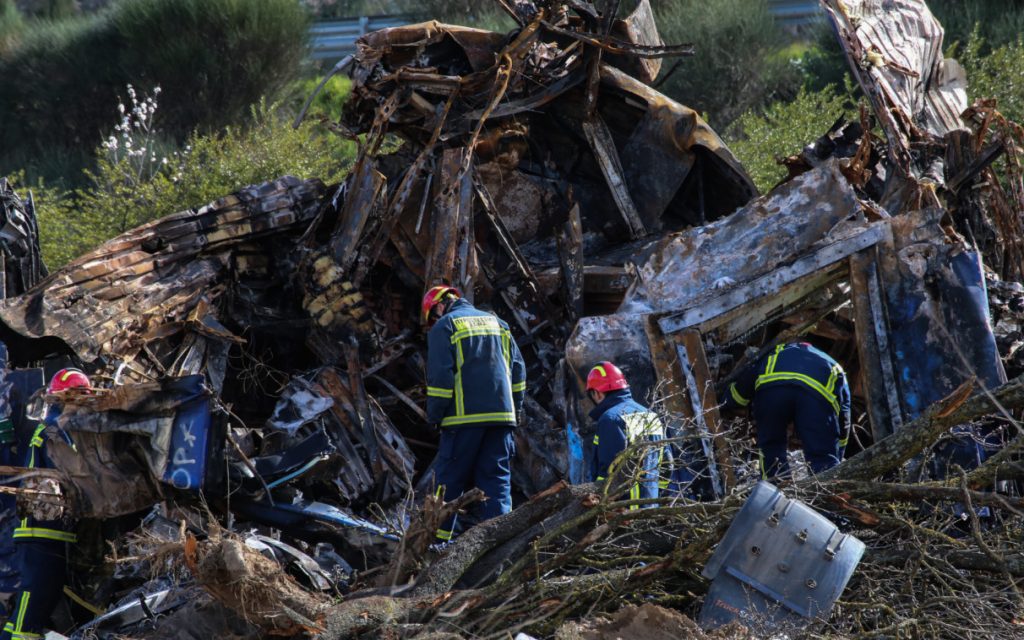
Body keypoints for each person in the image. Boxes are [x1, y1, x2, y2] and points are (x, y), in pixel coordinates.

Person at [421, 285, 526, 544]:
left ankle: (436, 546)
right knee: (497, 483)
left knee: (447, 484)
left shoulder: (445, 326)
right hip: (502, 419)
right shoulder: (498, 324)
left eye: (432, 318)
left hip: (462, 420)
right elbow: (519, 372)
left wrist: (434, 416)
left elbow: (441, 380)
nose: (434, 322)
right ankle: (499, 547)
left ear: (438, 307)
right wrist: (516, 410)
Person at [2, 368, 89, 640]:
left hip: (46, 535)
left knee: (37, 609)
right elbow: (71, 471)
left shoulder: (54, 424)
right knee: (29, 613)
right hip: (40, 534)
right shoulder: (57, 429)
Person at [724, 342, 851, 478]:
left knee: (770, 450)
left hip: (773, 394)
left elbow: (739, 395)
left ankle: (775, 492)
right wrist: (838, 452)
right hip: (815, 400)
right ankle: (827, 494)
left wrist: (724, 400)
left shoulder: (772, 354)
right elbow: (844, 417)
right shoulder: (833, 364)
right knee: (822, 460)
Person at [586, 362, 665, 506]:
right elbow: (667, 465)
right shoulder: (651, 416)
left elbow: (609, 473)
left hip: (622, 514)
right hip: (651, 509)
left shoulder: (610, 420)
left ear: (596, 393)